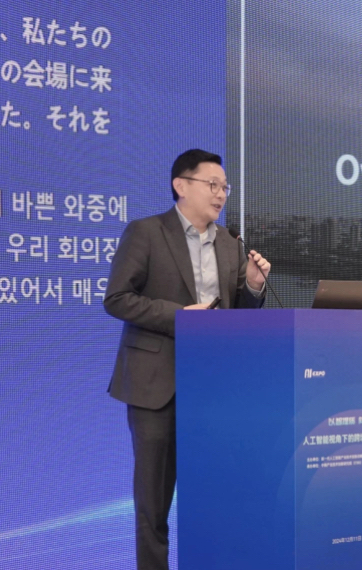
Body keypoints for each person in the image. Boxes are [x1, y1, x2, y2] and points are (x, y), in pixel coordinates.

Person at [103, 149, 270, 570]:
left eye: (225, 187)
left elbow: (237, 317)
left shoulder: (230, 244)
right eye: (212, 185)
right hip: (155, 385)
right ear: (181, 185)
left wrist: (253, 287)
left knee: (212, 498)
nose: (221, 194)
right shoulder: (146, 232)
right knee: (153, 504)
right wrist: (180, 317)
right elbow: (118, 298)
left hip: (212, 387)